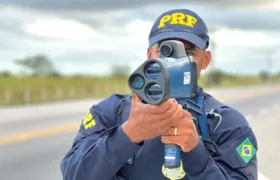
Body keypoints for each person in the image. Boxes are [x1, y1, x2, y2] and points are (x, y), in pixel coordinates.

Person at [60, 8, 258, 180]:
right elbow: (74, 174)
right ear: (149, 55)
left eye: (187, 53)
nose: (173, 63)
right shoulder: (111, 112)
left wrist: (195, 151)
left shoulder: (226, 123)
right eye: (164, 52)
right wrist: (128, 134)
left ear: (205, 60)